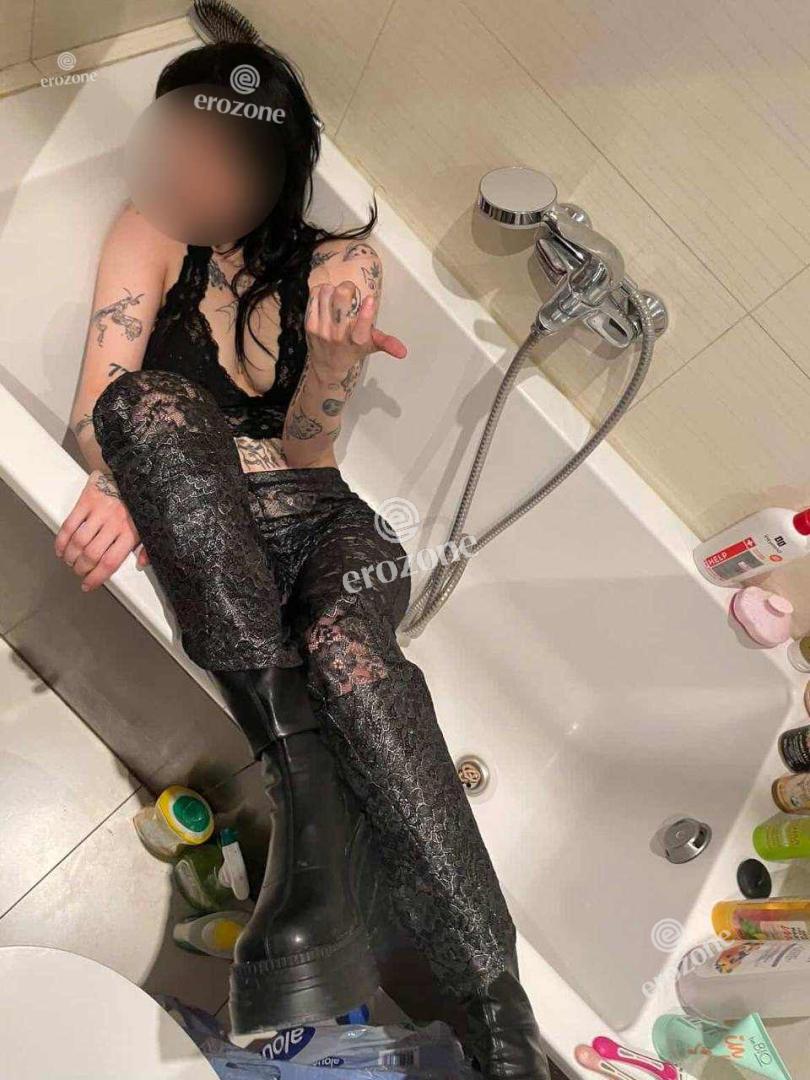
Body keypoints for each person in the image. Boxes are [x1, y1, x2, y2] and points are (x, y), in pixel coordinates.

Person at [54, 6, 550, 1078]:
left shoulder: (341, 265)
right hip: (208, 521)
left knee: (350, 657)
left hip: (324, 525)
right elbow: (99, 410)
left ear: (273, 169)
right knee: (145, 410)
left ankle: (499, 1015)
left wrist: (330, 366)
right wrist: (128, 474)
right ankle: (306, 791)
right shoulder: (151, 229)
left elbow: (311, 457)